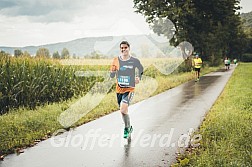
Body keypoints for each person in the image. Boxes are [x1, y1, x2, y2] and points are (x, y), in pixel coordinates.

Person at [110, 41, 143, 139]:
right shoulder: (116, 60)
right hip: (119, 89)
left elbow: (141, 69)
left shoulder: (134, 60)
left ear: (129, 48)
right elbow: (111, 75)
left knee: (123, 108)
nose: (123, 49)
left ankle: (127, 128)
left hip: (129, 89)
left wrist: (138, 78)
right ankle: (129, 127)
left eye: (125, 47)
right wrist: (112, 72)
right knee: (123, 111)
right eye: (122, 48)